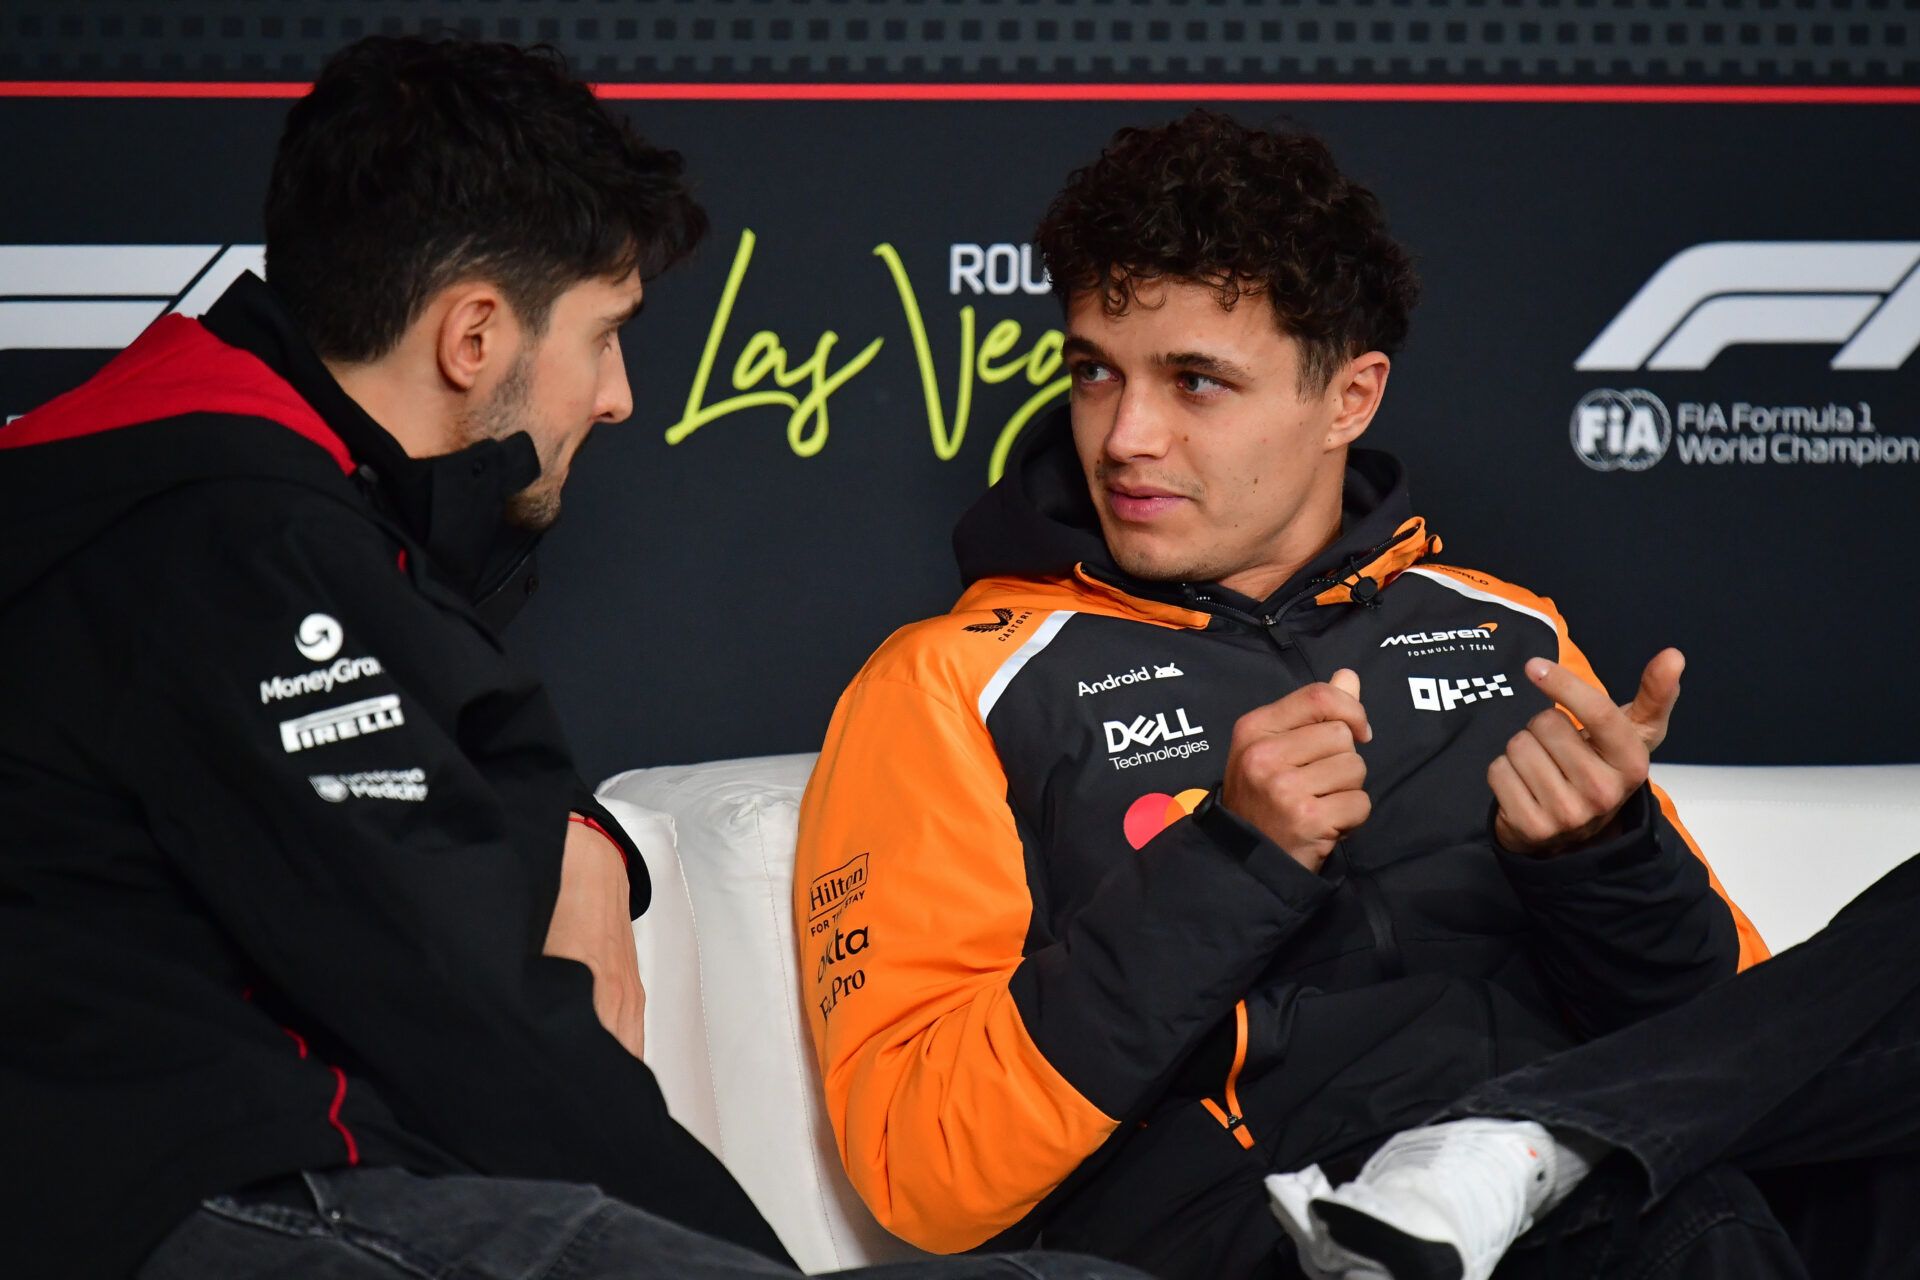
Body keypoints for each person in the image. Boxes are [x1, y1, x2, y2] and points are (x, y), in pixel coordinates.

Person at [0, 36, 1143, 1280]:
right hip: (203, 1193)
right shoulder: (238, 533)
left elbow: (417, 725)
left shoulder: (223, 475)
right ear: (475, 336)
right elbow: (459, 1010)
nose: (618, 397)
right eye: (604, 335)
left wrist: (577, 831)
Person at [792, 110, 1774, 1280]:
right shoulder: (952, 680)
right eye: (1096, 372)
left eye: (1195, 381)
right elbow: (922, 1165)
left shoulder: (1515, 629)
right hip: (1264, 1236)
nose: (1126, 434)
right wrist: (1231, 858)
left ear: (1349, 398)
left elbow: (1736, 1043)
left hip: (1594, 1182)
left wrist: (1607, 863)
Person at [1269, 851, 1920, 1279]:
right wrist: (1238, 858)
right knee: (1686, 1208)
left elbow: (1716, 1008)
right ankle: (1532, 1140)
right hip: (1309, 1181)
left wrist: (1601, 858)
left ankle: (1526, 1140)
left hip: (1645, 1104)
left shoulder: (1531, 642)